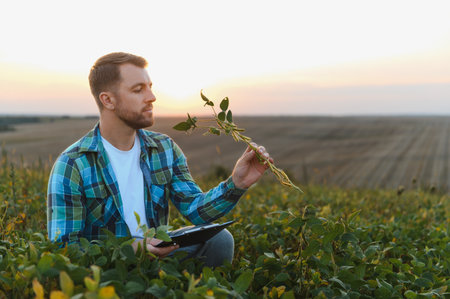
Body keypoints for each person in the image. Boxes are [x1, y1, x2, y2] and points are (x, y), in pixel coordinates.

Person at [47, 52, 272, 267]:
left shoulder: (164, 148)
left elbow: (194, 209)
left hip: (159, 258)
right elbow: (64, 250)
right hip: (107, 269)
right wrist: (128, 248)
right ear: (108, 100)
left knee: (220, 239)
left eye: (150, 88)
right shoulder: (72, 164)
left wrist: (237, 183)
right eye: (138, 90)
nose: (152, 97)